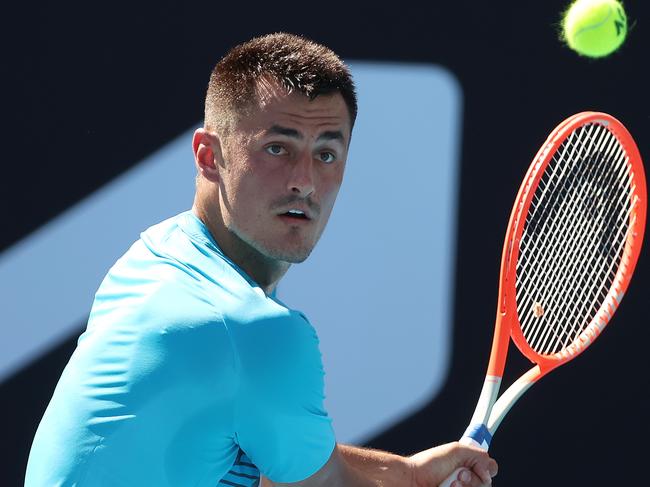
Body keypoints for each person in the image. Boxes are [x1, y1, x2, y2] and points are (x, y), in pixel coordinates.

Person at [25, 32, 497, 487]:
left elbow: (262, 456)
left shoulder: (156, 252)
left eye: (327, 154)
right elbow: (317, 483)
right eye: (278, 148)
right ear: (209, 156)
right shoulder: (251, 331)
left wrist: (410, 477)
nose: (305, 181)